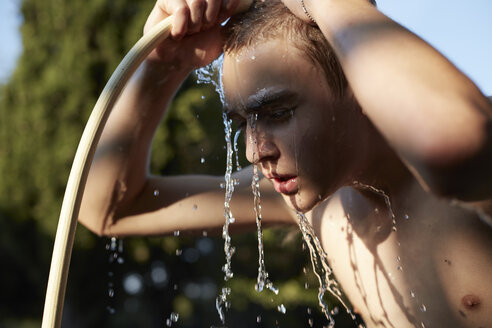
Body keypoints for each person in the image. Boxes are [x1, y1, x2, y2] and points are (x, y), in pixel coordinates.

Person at [79, 0, 492, 326]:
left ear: (357, 84)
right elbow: (108, 209)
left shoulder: (475, 170)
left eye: (277, 113)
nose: (254, 151)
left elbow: (454, 146)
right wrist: (161, 65)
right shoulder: (316, 201)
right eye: (243, 123)